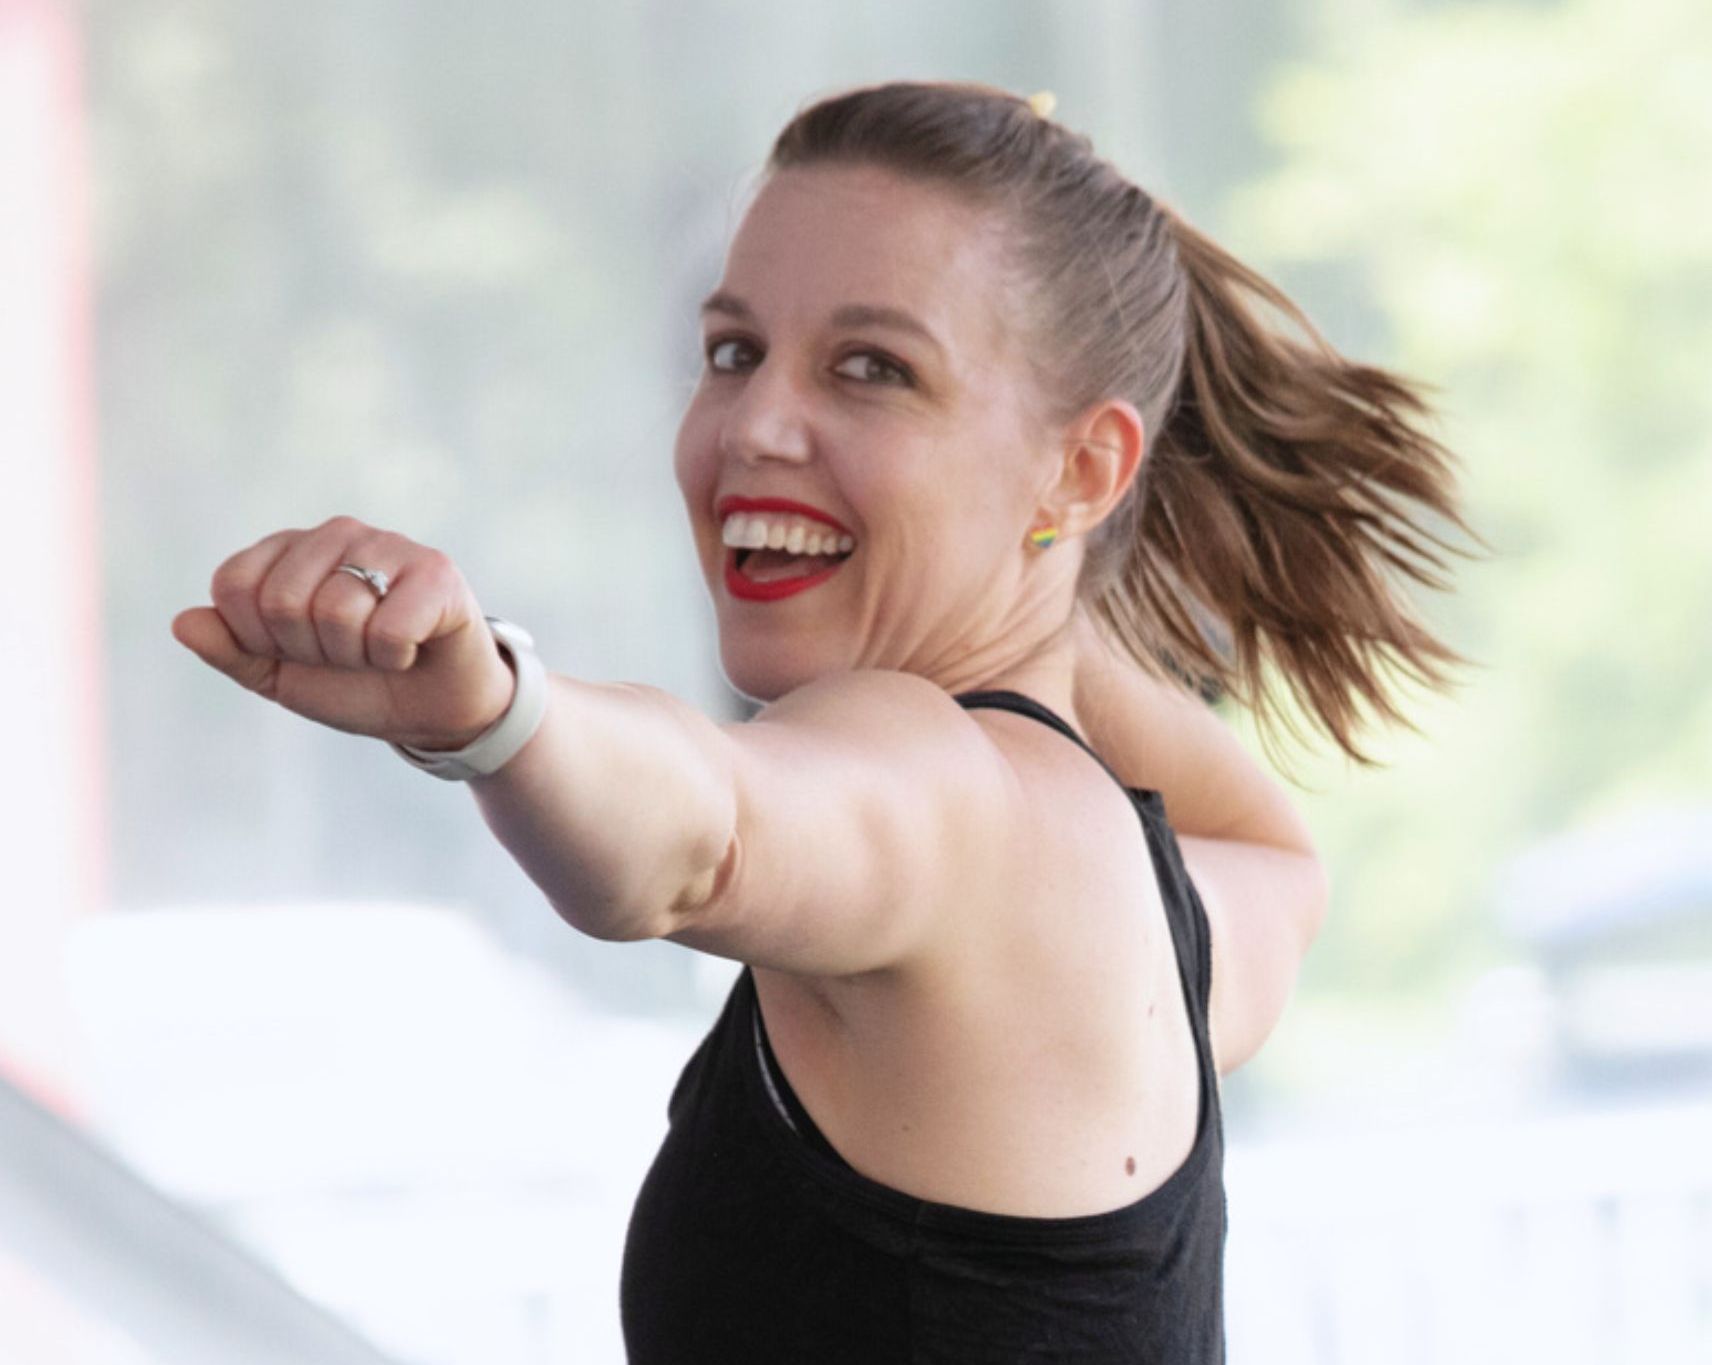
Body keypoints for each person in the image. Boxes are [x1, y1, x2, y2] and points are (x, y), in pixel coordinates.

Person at [173, 80, 1478, 1364]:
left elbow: (711, 828)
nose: (755, 424)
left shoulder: (947, 794)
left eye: (872, 368)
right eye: (733, 350)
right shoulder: (1138, 902)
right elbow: (1283, 864)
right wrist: (1037, 569)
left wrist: (496, 710)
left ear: (1084, 467)